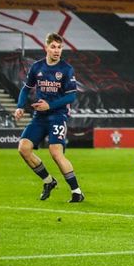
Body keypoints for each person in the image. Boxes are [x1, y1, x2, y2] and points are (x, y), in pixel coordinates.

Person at [14, 33, 84, 202]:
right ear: (46, 47)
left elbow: (71, 97)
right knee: (23, 148)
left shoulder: (66, 69)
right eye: (53, 47)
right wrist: (20, 107)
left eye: (59, 47)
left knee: (55, 152)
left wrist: (50, 105)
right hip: (40, 117)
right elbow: (26, 88)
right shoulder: (37, 67)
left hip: (58, 116)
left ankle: (77, 192)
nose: (56, 50)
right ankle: (48, 181)